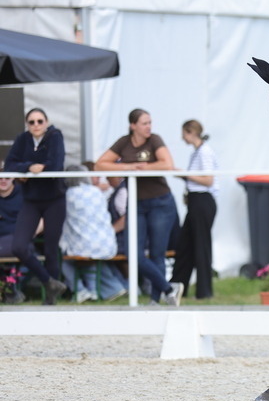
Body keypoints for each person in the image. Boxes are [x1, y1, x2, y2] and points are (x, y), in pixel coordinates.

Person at [94, 108, 183, 306]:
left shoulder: (155, 140)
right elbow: (100, 165)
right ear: (133, 126)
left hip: (161, 202)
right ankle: (169, 289)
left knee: (157, 253)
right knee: (133, 253)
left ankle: (155, 299)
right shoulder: (124, 142)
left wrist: (144, 168)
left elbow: (167, 164)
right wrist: (127, 167)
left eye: (150, 122)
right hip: (137, 203)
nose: (148, 127)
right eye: (144, 123)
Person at [3, 108, 68, 304]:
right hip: (31, 199)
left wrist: (34, 167)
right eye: (31, 122)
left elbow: (55, 164)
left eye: (40, 121)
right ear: (27, 124)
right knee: (19, 246)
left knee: (50, 248)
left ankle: (50, 300)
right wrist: (29, 167)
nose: (36, 125)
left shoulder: (55, 137)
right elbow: (9, 165)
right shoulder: (23, 139)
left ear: (46, 122)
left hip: (54, 199)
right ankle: (49, 282)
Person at [59, 164, 127, 302]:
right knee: (91, 257)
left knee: (63, 258)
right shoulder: (96, 192)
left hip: (86, 246)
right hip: (108, 243)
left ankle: (81, 290)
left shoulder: (67, 195)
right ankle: (105, 289)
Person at [171, 119, 218, 299]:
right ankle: (177, 287)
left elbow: (208, 180)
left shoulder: (204, 152)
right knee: (186, 246)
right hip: (195, 201)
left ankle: (204, 291)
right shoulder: (197, 153)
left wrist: (184, 174)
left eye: (184, 133)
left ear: (190, 132)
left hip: (202, 201)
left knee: (201, 246)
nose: (182, 137)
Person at [0, 168, 29, 304]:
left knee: (25, 258)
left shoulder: (23, 195)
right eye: (0, 178)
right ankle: (9, 289)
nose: (3, 180)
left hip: (20, 239)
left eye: (7, 177)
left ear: (13, 179)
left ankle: (9, 287)